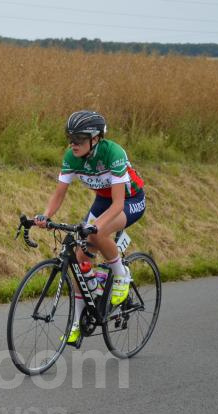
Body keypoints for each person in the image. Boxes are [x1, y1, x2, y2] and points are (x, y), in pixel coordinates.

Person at [34, 110, 146, 345]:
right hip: (103, 200)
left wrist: (95, 227)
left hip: (130, 200)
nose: (73, 144)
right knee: (80, 257)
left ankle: (121, 276)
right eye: (70, 138)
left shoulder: (113, 153)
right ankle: (77, 323)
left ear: (95, 139)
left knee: (98, 233)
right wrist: (45, 216)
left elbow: (118, 204)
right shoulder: (71, 156)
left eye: (79, 139)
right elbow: (59, 194)